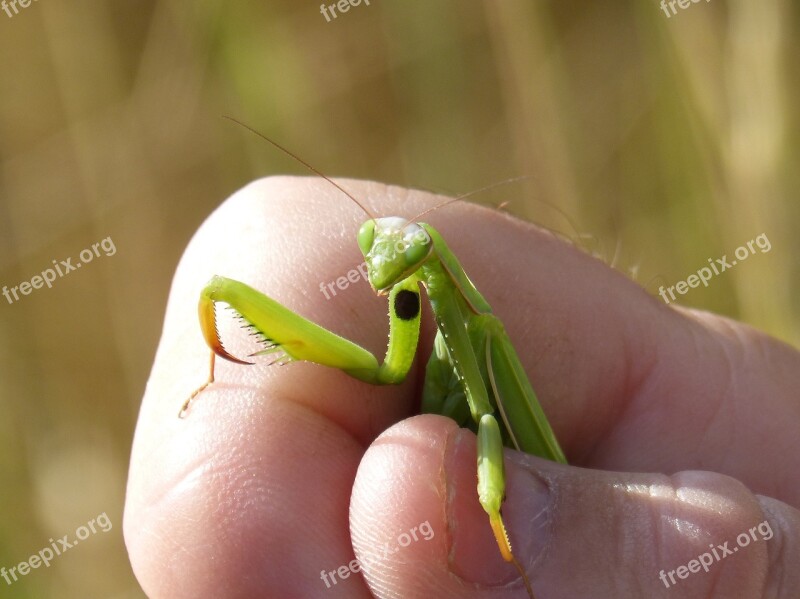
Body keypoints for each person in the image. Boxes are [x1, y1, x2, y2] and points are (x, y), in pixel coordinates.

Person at [124, 177, 800, 598]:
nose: (382, 269)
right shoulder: (419, 298)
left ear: (432, 261)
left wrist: (519, 548)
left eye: (404, 259)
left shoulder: (487, 336)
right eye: (372, 250)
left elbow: (486, 422)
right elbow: (384, 369)